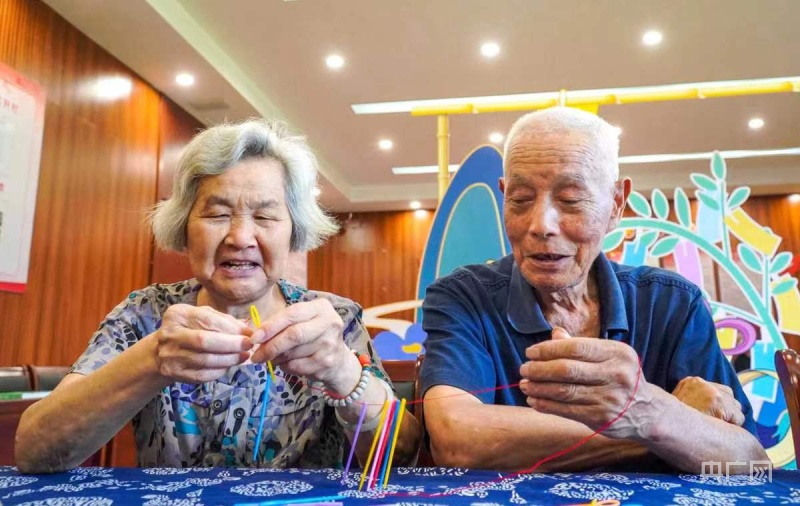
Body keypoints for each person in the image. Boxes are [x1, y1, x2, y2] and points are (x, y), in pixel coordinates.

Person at [16, 119, 420, 472]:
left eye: (265, 216)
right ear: (184, 227)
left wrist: (345, 373)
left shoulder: (333, 319)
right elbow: (35, 450)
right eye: (217, 214)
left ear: (293, 231)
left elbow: (404, 457)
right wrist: (152, 359)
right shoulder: (145, 314)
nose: (240, 237)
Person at [419, 107, 767, 473]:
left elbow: (750, 457)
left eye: (570, 199)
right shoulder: (464, 297)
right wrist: (663, 422)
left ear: (616, 204)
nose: (541, 225)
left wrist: (650, 411)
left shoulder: (672, 303)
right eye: (520, 199)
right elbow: (457, 438)